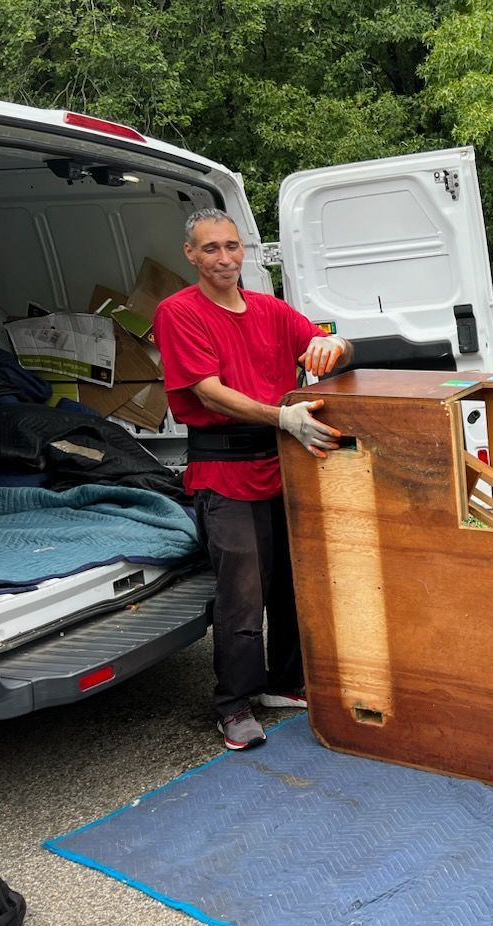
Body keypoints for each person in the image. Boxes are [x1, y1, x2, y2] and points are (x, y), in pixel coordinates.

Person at [153, 208, 353, 751]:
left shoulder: (270, 309)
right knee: (242, 594)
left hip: (285, 467)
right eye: (211, 248)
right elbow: (207, 391)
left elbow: (335, 346)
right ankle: (233, 703)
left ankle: (284, 683)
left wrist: (332, 348)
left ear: (245, 251)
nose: (225, 258)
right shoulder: (178, 312)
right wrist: (280, 415)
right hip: (224, 470)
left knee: (292, 583)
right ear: (191, 255)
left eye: (232, 246)